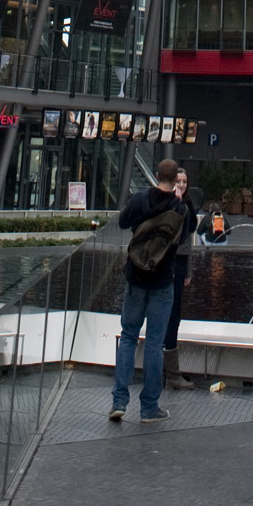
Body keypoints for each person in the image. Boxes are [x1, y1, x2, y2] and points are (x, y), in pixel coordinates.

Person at [109, 157, 190, 425]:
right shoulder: (180, 210)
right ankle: (149, 408)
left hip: (135, 277)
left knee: (129, 336)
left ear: (156, 175)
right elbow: (183, 240)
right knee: (155, 343)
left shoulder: (139, 199)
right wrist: (178, 201)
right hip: (162, 281)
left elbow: (122, 223)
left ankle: (119, 401)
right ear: (174, 179)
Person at [162, 167, 200, 395]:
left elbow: (189, 238)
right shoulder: (171, 204)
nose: (182, 185)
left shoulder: (187, 206)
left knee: (174, 315)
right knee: (169, 314)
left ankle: (169, 372)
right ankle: (170, 373)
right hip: (169, 263)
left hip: (178, 263)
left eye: (185, 181)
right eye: (178, 181)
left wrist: (189, 269)